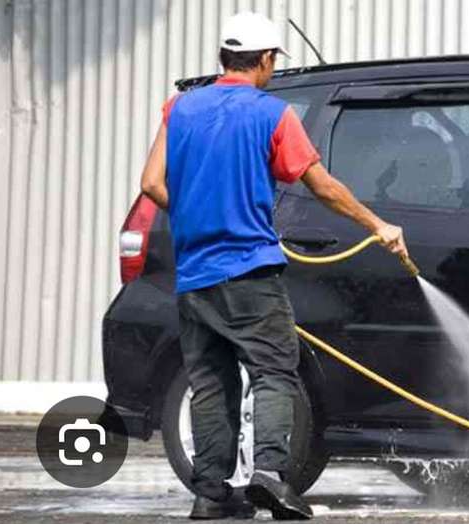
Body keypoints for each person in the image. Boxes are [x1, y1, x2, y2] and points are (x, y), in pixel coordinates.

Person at [138, 12, 408, 521]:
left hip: (194, 274)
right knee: (273, 371)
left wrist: (198, 212)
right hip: (248, 270)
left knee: (211, 380)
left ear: (223, 58)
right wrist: (377, 225)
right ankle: (270, 475)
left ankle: (211, 493)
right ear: (264, 61)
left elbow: (152, 184)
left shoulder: (179, 108)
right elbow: (320, 184)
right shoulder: (272, 114)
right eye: (271, 63)